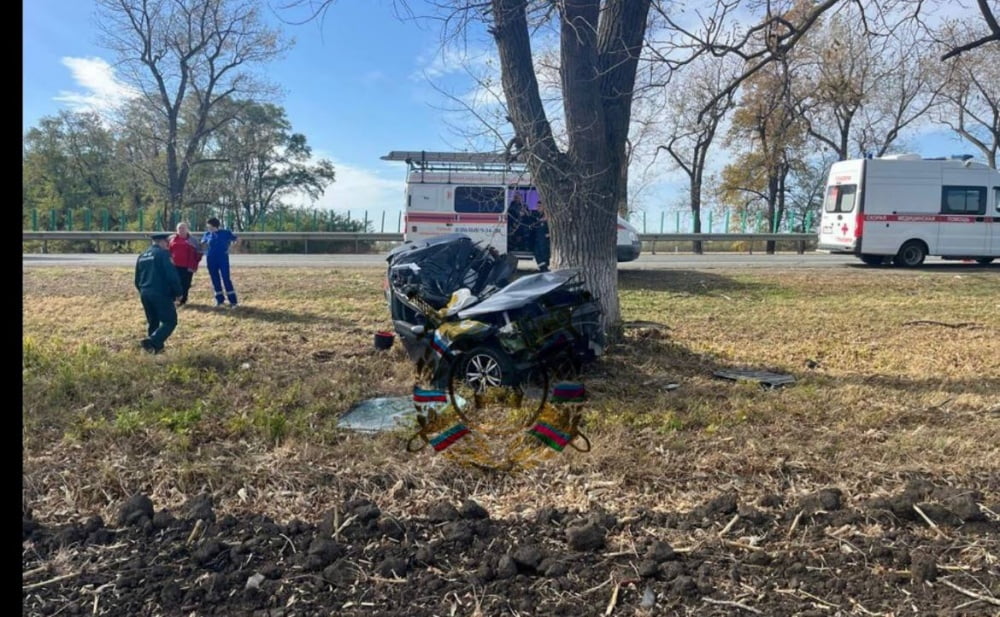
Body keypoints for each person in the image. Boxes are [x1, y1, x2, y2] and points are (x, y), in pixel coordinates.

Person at [135, 232, 183, 354]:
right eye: (167, 243)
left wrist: (143, 290)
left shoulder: (142, 255)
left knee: (153, 322)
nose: (168, 245)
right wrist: (178, 292)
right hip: (160, 293)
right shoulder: (163, 254)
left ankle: (156, 350)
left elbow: (136, 279)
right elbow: (171, 275)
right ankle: (152, 341)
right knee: (170, 321)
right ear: (162, 242)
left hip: (145, 292)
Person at [200, 217, 239, 308]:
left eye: (209, 225)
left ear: (214, 225)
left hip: (223, 259)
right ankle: (219, 300)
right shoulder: (207, 234)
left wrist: (231, 249)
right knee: (215, 279)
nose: (208, 227)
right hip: (211, 259)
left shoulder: (225, 233)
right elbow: (202, 244)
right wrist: (203, 249)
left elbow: (237, 239)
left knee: (226, 278)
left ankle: (233, 301)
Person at [168, 221, 202, 306]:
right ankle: (174, 299)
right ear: (176, 230)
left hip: (187, 266)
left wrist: (195, 262)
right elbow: (167, 251)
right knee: (174, 282)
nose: (181, 230)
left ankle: (183, 300)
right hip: (174, 265)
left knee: (185, 283)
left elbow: (198, 252)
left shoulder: (193, 240)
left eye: (183, 228)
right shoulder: (171, 239)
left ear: (187, 229)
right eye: (179, 228)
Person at [531, 202, 551, 272]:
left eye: (539, 206)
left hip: (545, 239)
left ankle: (545, 269)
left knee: (544, 254)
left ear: (544, 207)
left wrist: (549, 234)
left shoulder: (548, 217)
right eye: (537, 206)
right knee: (537, 253)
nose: (537, 208)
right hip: (538, 238)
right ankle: (542, 268)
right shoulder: (538, 216)